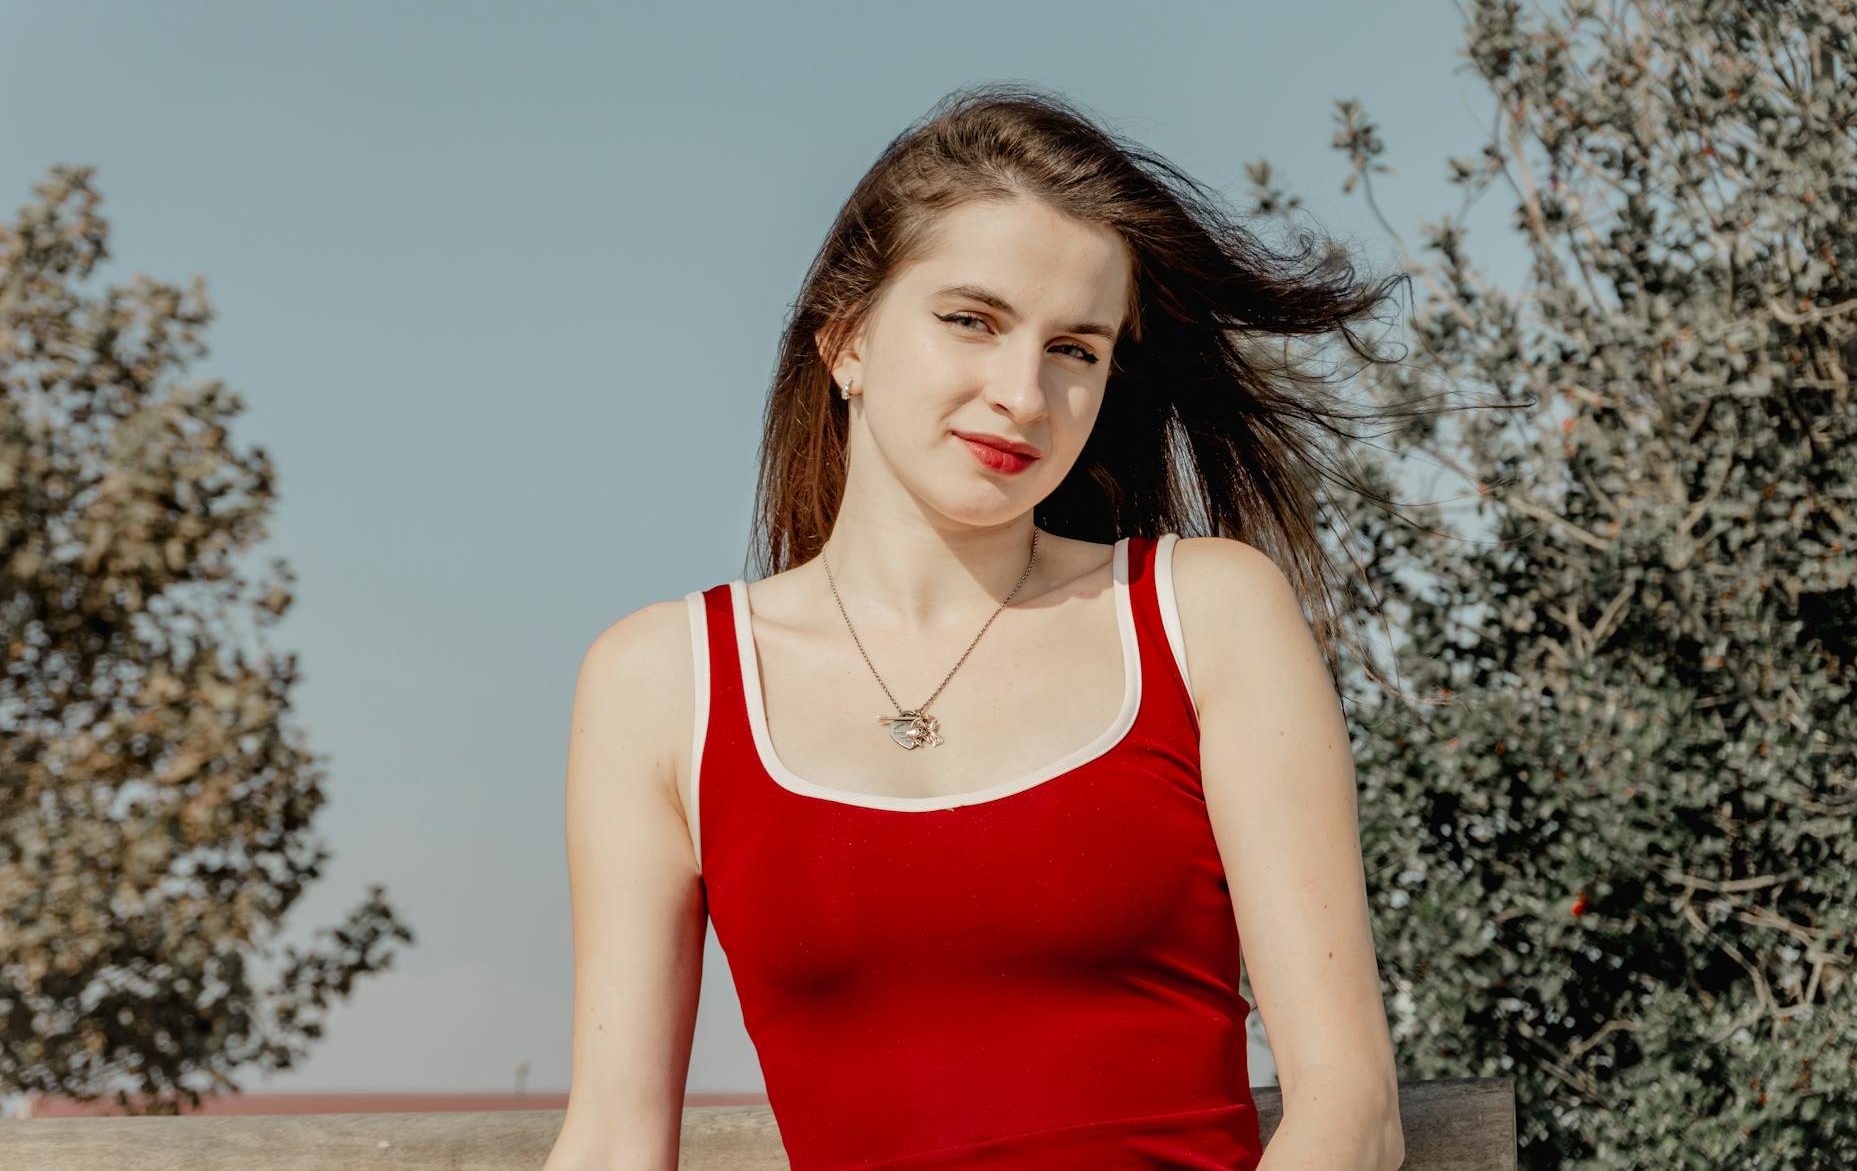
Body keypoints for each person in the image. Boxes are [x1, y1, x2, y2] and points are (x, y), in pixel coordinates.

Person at [544, 84, 1413, 1171]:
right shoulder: (660, 685)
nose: (1022, 392)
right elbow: (615, 1139)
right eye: (971, 319)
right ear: (845, 338)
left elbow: (1350, 1107)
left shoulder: (1205, 616)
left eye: (1075, 348)